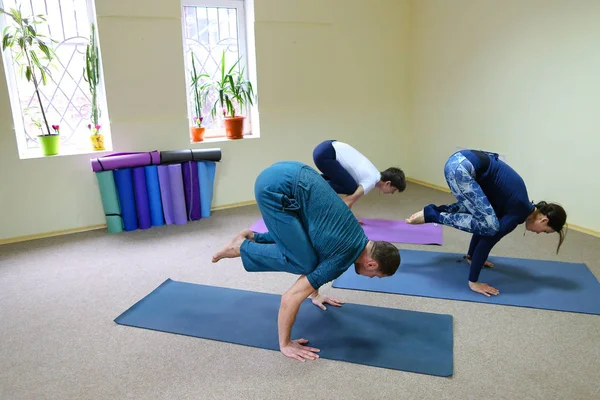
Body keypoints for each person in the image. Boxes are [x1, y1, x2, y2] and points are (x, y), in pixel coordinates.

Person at [212, 161, 401, 362]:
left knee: (308, 254)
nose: (371, 278)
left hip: (293, 173)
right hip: (275, 188)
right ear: (372, 264)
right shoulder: (342, 258)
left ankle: (252, 237)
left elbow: (313, 241)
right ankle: (240, 247)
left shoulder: (356, 234)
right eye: (375, 276)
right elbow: (290, 298)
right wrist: (285, 344)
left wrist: (315, 293)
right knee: (302, 263)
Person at [406, 149, 567, 297]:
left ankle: (433, 212)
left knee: (485, 220)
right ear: (543, 220)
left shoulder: (517, 204)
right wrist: (474, 281)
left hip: (458, 162)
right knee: (490, 227)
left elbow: (482, 231)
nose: (539, 233)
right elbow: (487, 240)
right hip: (461, 169)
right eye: (545, 231)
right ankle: (433, 215)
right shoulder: (519, 210)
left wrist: (472, 256)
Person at [312, 139, 406, 209]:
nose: (391, 193)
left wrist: (352, 219)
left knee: (349, 185)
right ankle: (311, 186)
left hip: (326, 148)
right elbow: (347, 201)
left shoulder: (373, 174)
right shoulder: (371, 181)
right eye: (393, 190)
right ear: (388, 183)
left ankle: (311, 181)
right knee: (351, 188)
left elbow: (351, 200)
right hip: (326, 154)